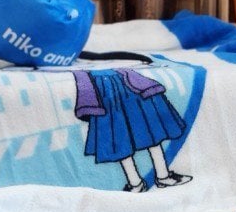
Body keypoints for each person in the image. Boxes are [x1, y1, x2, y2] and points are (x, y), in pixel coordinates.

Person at [72, 53, 192, 193]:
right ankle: (136, 183)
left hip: (131, 88)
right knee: (120, 140)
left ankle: (162, 176)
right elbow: (83, 82)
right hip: (106, 96)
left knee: (151, 131)